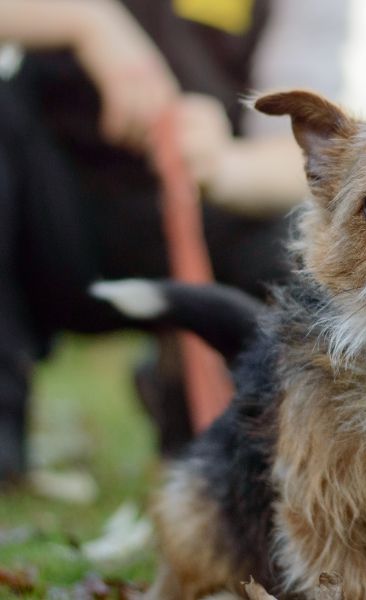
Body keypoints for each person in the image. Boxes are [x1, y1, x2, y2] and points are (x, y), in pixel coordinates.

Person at [0, 0, 347, 482]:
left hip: (212, 218)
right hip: (55, 217)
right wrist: (89, 21)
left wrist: (221, 165)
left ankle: (202, 394)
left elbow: (298, 158)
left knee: (307, 240)